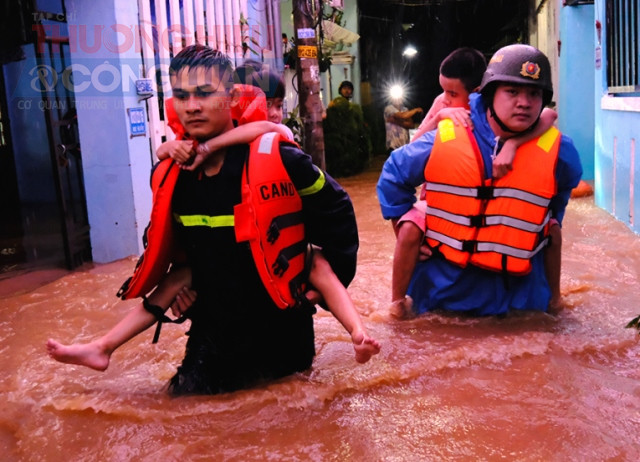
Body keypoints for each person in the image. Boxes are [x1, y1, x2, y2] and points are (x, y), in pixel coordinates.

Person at [48, 45, 380, 394]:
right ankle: (102, 348)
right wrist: (184, 295)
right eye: (182, 95)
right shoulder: (169, 175)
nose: (192, 105)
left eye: (204, 94)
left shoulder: (283, 160)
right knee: (183, 420)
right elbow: (179, 257)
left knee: (289, 418)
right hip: (212, 338)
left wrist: (323, 287)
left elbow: (338, 213)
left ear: (232, 95)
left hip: (283, 336)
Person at [377, 44, 583, 317]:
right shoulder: (447, 135)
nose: (524, 102)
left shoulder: (559, 151)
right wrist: (402, 226)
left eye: (534, 94)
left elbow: (559, 196)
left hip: (521, 300)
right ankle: (397, 303)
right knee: (410, 227)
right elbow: (393, 175)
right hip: (443, 294)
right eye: (512, 92)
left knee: (553, 228)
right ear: (488, 94)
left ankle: (556, 300)